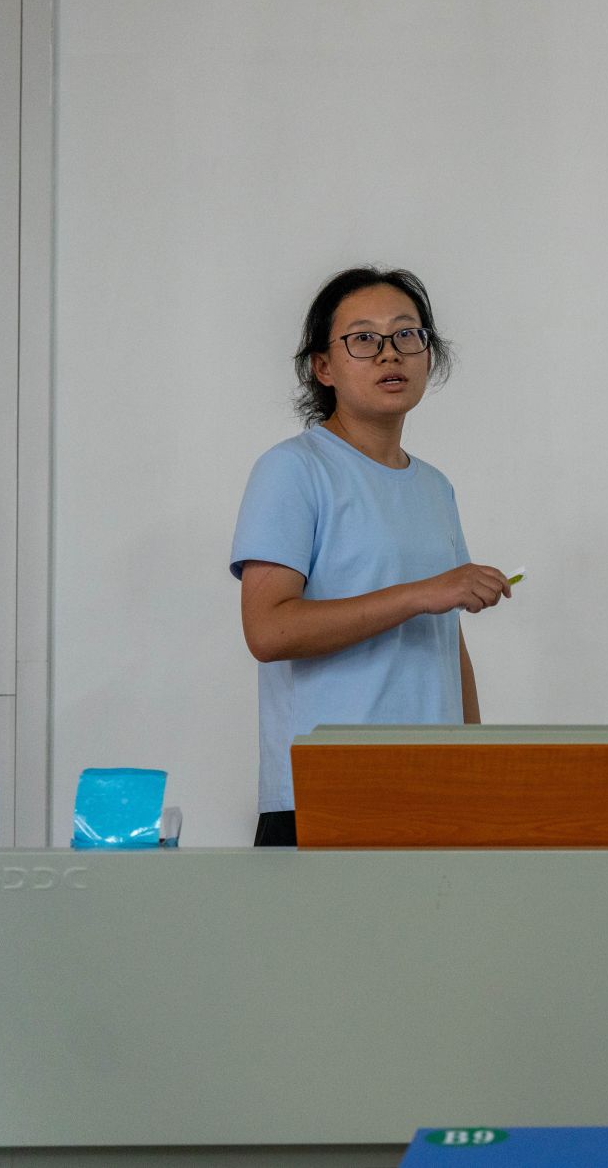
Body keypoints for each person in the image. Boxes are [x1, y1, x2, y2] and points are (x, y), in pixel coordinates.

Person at [230, 268, 512, 847]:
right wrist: (422, 594)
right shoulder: (293, 469)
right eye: (363, 338)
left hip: (437, 788)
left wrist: (476, 761)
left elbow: (449, 645)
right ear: (323, 367)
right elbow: (268, 630)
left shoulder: (434, 486)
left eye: (407, 334)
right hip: (328, 791)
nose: (390, 353)